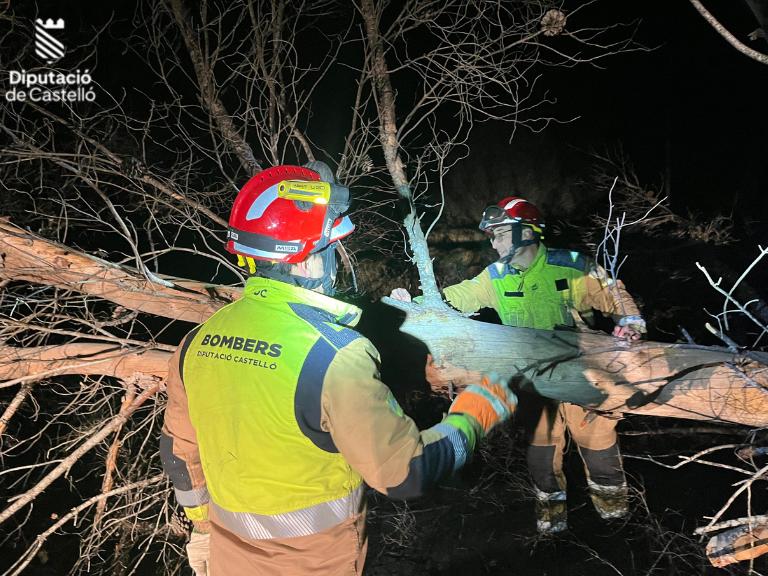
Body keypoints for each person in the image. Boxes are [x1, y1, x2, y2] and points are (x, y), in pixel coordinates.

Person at [159, 163, 518, 576]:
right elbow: (405, 473)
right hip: (315, 564)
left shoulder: (198, 341)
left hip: (228, 558)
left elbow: (179, 452)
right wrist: (476, 414)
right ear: (308, 261)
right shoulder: (336, 354)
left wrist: (203, 528)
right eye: (330, 249)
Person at [390, 196, 647, 535]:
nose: (493, 243)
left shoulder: (571, 264)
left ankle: (615, 521)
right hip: (533, 381)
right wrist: (416, 303)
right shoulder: (495, 276)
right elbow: (456, 297)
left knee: (598, 444)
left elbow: (613, 293)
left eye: (500, 234)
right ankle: (553, 527)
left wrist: (631, 323)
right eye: (492, 236)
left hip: (583, 374)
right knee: (541, 450)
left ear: (526, 232)